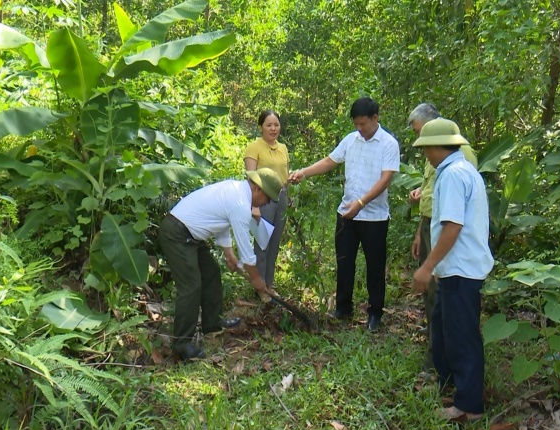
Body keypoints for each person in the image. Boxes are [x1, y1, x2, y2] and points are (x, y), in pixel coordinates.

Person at [289, 97, 400, 332]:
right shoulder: (351, 140)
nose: (359, 128)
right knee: (344, 261)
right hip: (347, 214)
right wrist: (304, 172)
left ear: (375, 118)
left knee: (375, 266)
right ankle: (343, 307)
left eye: (363, 124)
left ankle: (375, 313)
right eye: (356, 124)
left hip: (374, 217)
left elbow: (386, 178)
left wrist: (361, 202)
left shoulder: (389, 144)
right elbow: (331, 161)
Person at [411, 118, 494, 422]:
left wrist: (427, 266)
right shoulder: (461, 171)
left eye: (426, 148)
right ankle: (449, 385)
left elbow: (452, 226)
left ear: (436, 146)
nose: (425, 155)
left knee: (462, 336)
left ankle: (469, 405)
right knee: (444, 329)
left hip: (462, 269)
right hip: (453, 268)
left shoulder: (453, 176)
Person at [159, 169, 282, 361]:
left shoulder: (236, 192)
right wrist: (258, 280)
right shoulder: (241, 203)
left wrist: (229, 255)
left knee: (212, 273)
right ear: (257, 188)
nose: (266, 203)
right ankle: (182, 344)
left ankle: (212, 323)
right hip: (177, 234)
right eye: (267, 198)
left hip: (191, 235)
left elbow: (220, 223)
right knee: (191, 286)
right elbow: (247, 253)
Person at [406, 104, 478, 371]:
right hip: (432, 227)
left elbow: (455, 217)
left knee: (444, 300)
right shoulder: (439, 158)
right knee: (433, 300)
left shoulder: (459, 161)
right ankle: (437, 353)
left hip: (452, 241)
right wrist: (420, 232)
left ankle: (439, 362)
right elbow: (431, 196)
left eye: (420, 134)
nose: (420, 145)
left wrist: (427, 266)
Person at [244, 110, 289, 297]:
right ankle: (260, 287)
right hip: (262, 198)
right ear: (261, 126)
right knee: (262, 241)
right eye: (269, 125)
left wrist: (289, 197)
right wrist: (254, 206)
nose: (273, 129)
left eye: (276, 125)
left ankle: (269, 285)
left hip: (282, 197)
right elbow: (250, 177)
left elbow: (285, 174)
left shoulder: (283, 148)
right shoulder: (254, 147)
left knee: (275, 241)